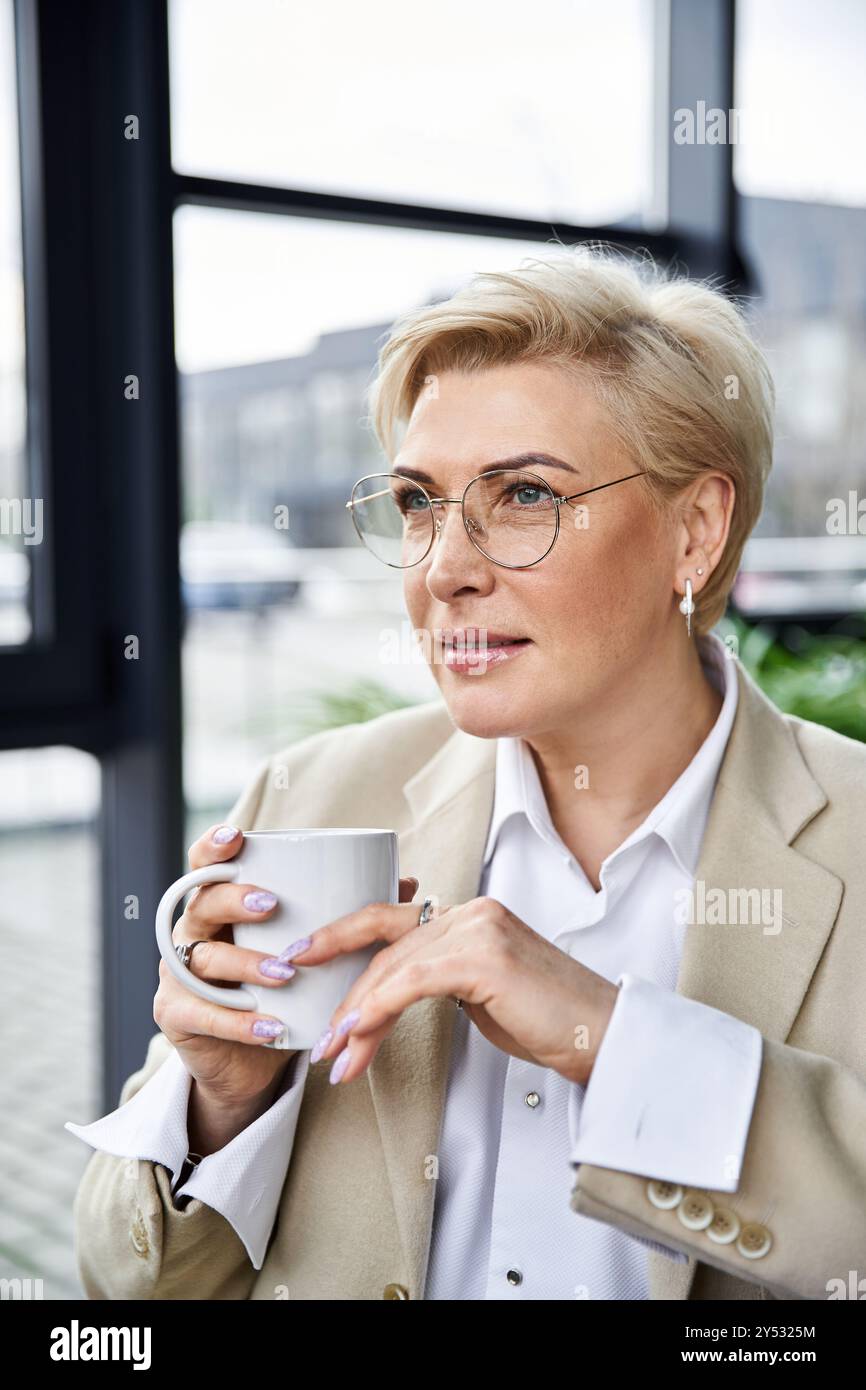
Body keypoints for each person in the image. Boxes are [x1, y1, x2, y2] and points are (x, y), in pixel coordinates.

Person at [66, 245, 866, 1300]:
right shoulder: (309, 800)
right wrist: (221, 1107)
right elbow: (130, 1290)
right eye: (415, 501)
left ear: (695, 531)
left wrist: (610, 1038)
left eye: (524, 493)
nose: (444, 568)